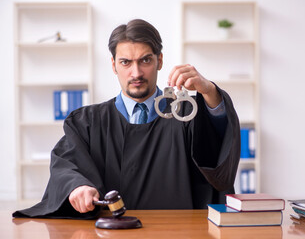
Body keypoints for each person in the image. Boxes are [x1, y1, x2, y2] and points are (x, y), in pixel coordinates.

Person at [13, 19, 240, 219]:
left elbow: (218, 145)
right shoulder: (87, 123)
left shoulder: (186, 115)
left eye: (145, 61)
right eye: (125, 62)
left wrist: (209, 91)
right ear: (113, 65)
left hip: (177, 232)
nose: (136, 73)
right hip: (107, 233)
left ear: (159, 61)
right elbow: (66, 164)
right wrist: (77, 186)